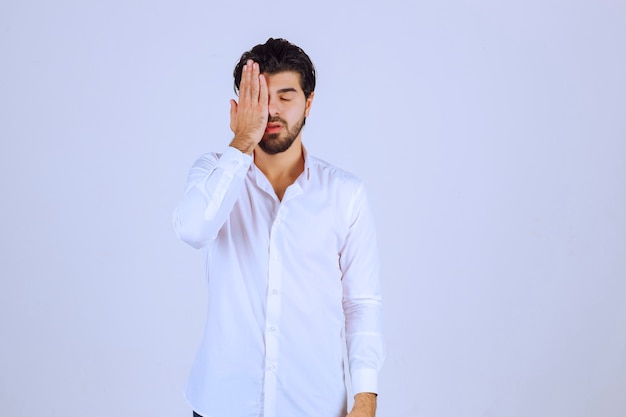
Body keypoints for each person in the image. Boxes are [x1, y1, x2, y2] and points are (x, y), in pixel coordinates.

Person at [173, 38, 384, 417]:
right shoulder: (212, 173)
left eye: (285, 96)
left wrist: (365, 396)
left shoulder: (345, 193)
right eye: (259, 97)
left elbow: (361, 302)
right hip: (222, 404)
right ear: (238, 107)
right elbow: (193, 230)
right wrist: (241, 143)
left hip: (314, 404)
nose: (270, 110)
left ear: (309, 102)